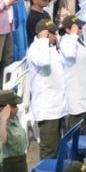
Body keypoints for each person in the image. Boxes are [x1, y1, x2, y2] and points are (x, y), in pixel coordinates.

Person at [26, 19, 66, 160]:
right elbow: (43, 61)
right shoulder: (36, 48)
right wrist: (43, 40)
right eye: (52, 33)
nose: (56, 35)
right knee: (49, 149)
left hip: (58, 105)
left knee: (58, 147)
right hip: (47, 108)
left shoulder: (51, 47)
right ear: (45, 34)